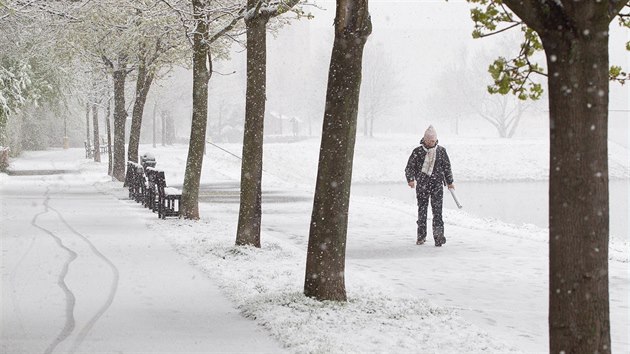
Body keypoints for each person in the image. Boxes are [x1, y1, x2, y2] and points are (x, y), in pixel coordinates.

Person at [405, 125, 455, 246]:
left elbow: (447, 168)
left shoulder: (441, 151)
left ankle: (439, 237)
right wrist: (411, 179)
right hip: (422, 185)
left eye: (434, 140)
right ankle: (421, 236)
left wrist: (450, 182)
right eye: (430, 140)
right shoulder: (417, 151)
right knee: (422, 211)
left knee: (437, 212)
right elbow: (409, 167)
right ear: (425, 140)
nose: (433, 142)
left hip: (437, 185)